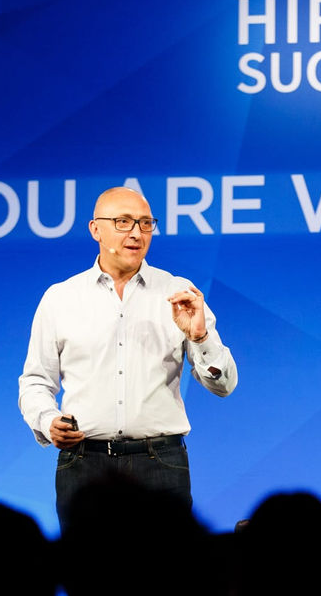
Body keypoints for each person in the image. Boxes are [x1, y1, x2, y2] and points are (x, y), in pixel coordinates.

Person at [18, 186, 238, 525]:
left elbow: (224, 385)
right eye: (123, 222)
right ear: (95, 229)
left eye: (145, 223)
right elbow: (35, 382)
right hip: (84, 464)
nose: (136, 233)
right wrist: (48, 422)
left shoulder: (177, 293)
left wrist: (200, 336)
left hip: (160, 464)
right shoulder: (61, 298)